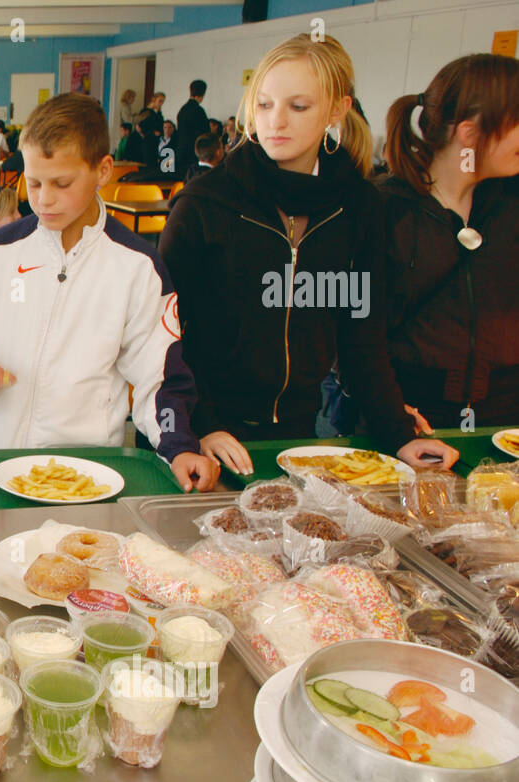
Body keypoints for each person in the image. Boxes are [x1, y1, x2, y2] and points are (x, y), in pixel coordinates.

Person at [158, 34, 458, 476]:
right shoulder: (205, 203)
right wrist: (197, 425)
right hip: (206, 436)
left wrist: (400, 433)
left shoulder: (358, 207)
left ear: (337, 110)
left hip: (297, 435)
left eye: (298, 107)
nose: (275, 121)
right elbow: (163, 335)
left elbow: (362, 338)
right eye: (263, 105)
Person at [0, 93, 219, 493]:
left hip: (84, 472)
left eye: (62, 183)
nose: (43, 198)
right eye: (33, 182)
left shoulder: (138, 267)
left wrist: (178, 446)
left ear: (103, 170)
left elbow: (160, 378)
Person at [379, 54, 519, 430]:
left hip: (503, 420)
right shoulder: (384, 210)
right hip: (410, 419)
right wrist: (386, 408)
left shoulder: (509, 205)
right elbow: (355, 329)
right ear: (470, 134)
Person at [177, 80, 211, 176]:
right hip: (193, 155)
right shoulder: (199, 111)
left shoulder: (182, 110)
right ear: (203, 93)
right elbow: (205, 135)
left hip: (181, 152)